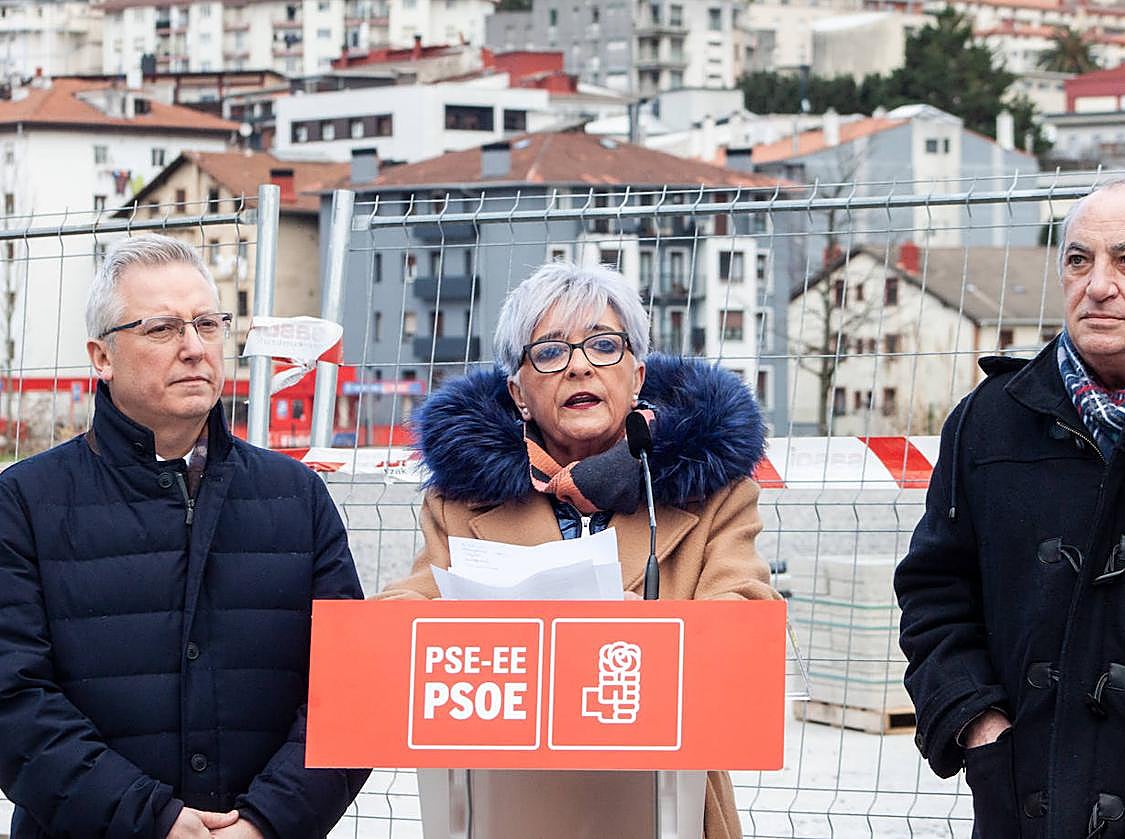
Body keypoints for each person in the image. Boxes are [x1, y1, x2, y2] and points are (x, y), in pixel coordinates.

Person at [378, 261, 778, 839]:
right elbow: (418, 598)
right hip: (507, 801)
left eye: (603, 345)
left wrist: (633, 640)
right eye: (550, 352)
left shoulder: (717, 493)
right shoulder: (460, 502)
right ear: (518, 392)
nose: (581, 365)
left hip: (666, 802)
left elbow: (745, 608)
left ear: (637, 376)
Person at [0, 234, 369, 838]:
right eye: (163, 329)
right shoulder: (24, 504)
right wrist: (154, 823)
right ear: (102, 357)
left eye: (208, 323)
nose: (195, 348)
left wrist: (266, 822)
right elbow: (13, 703)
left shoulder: (297, 497)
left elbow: (350, 691)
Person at [895, 178, 1125, 838]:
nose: (1097, 285)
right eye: (1079, 260)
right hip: (1024, 801)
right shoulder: (989, 420)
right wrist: (979, 725)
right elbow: (934, 592)